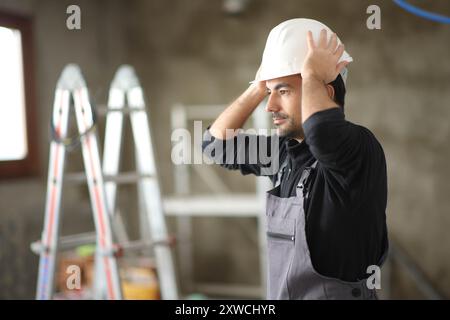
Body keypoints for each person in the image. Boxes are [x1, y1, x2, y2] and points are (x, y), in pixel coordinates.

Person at [202, 18, 388, 300]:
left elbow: (322, 132)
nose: (270, 106)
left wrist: (312, 74)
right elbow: (215, 144)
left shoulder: (358, 149)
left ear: (326, 91)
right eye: (270, 93)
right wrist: (258, 86)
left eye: (284, 91)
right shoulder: (284, 153)